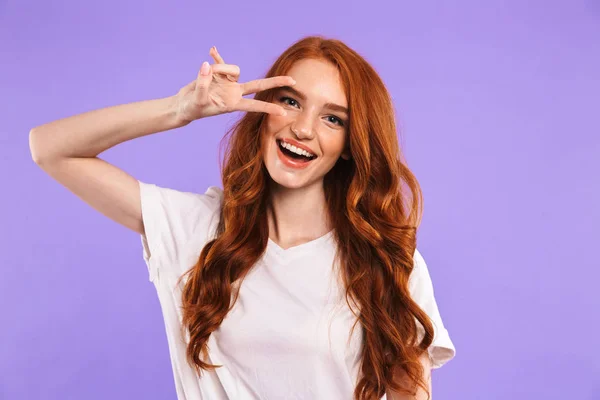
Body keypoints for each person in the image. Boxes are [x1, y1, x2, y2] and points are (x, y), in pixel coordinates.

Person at [29, 36, 456, 400]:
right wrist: (180, 109)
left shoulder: (386, 263)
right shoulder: (194, 229)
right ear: (263, 109)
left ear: (349, 143)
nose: (303, 129)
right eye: (290, 102)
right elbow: (50, 148)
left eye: (332, 118)